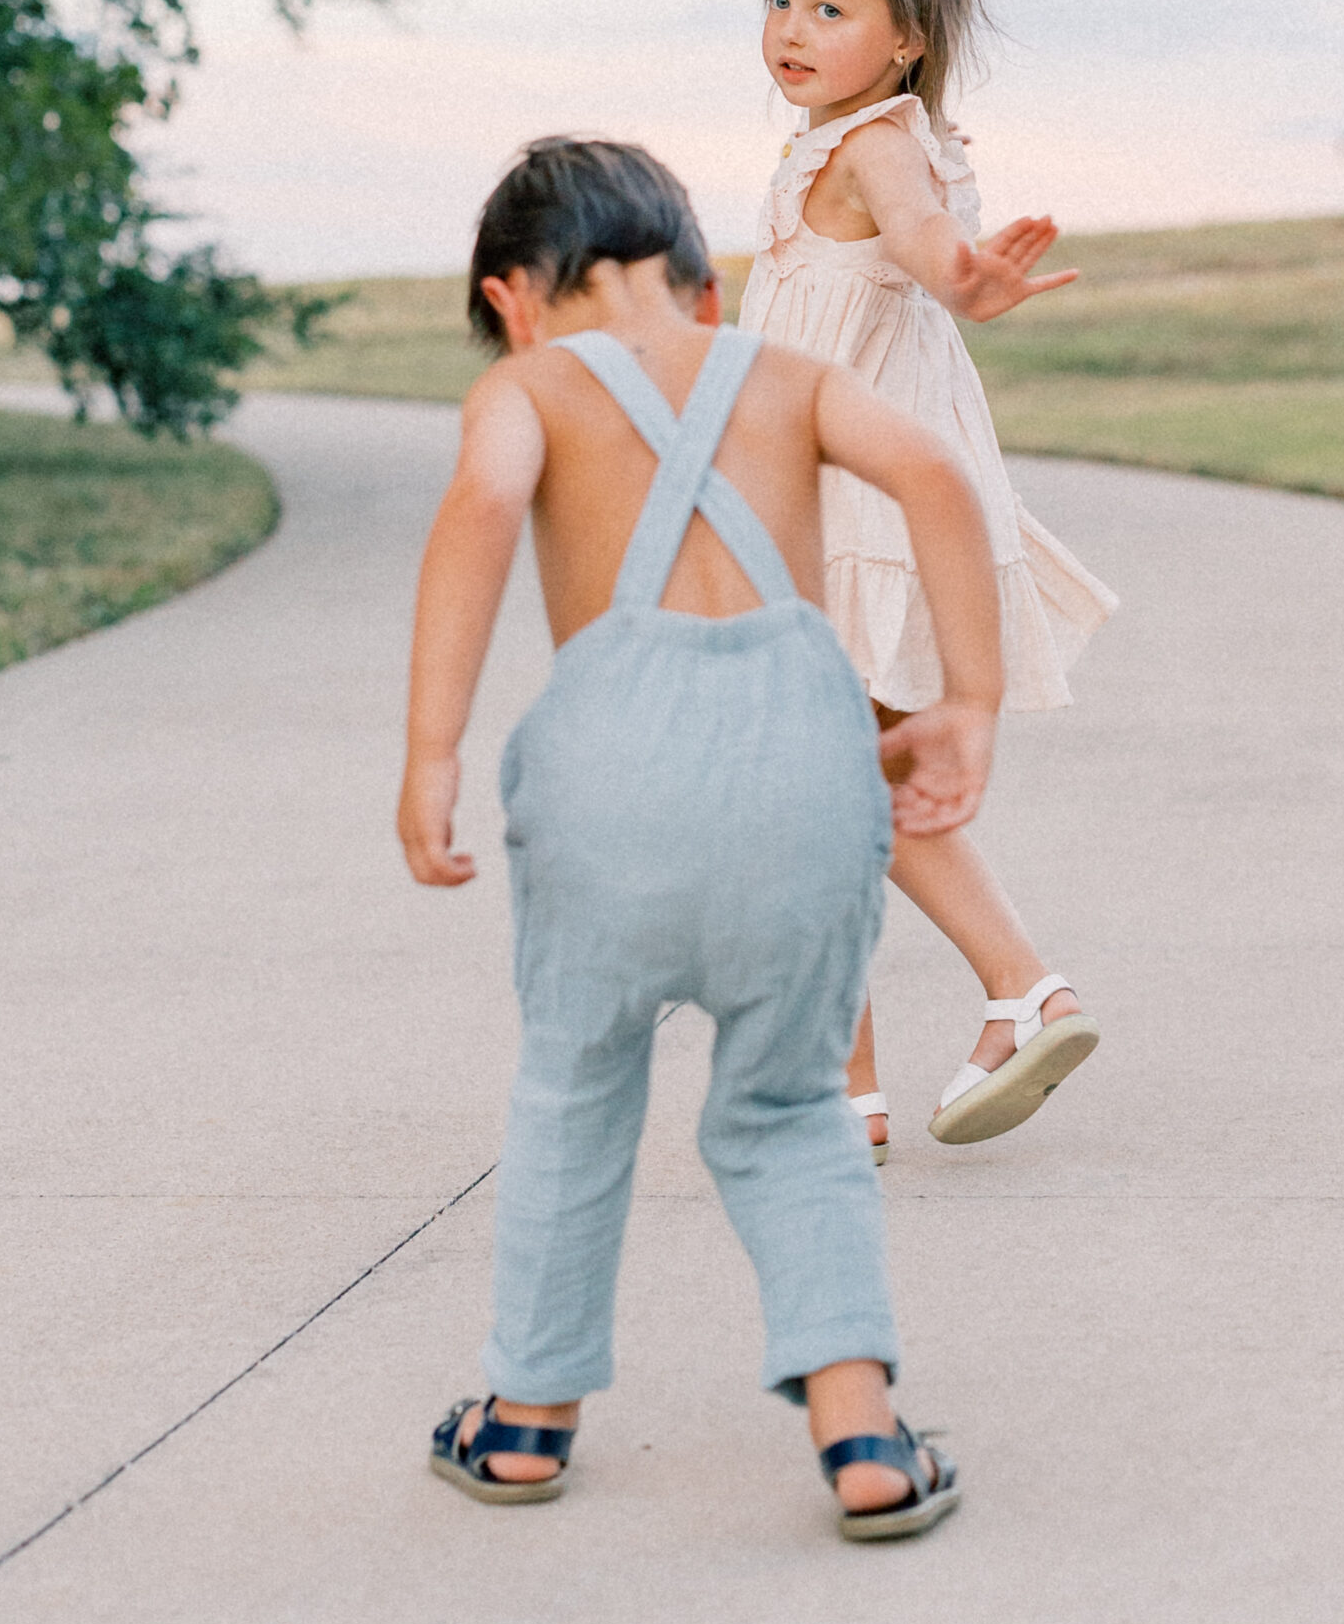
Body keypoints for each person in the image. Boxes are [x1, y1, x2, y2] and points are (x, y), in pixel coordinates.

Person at [398, 136, 1004, 1538]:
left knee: (576, 1083)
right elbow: (935, 480)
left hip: (613, 789)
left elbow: (479, 512)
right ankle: (863, 1442)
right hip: (806, 781)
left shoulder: (525, 388)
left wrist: (432, 754)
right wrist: (967, 702)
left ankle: (528, 1422)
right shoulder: (787, 380)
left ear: (511, 300)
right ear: (707, 290)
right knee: (792, 1105)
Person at [739, 0, 1116, 1153]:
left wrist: (965, 275)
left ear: (908, 36)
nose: (793, 28)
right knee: (856, 790)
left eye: (832, 8)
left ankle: (872, 1075)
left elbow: (921, 244)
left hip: (855, 506)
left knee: (822, 792)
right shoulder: (858, 139)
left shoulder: (877, 145)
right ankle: (989, 1011)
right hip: (867, 492)